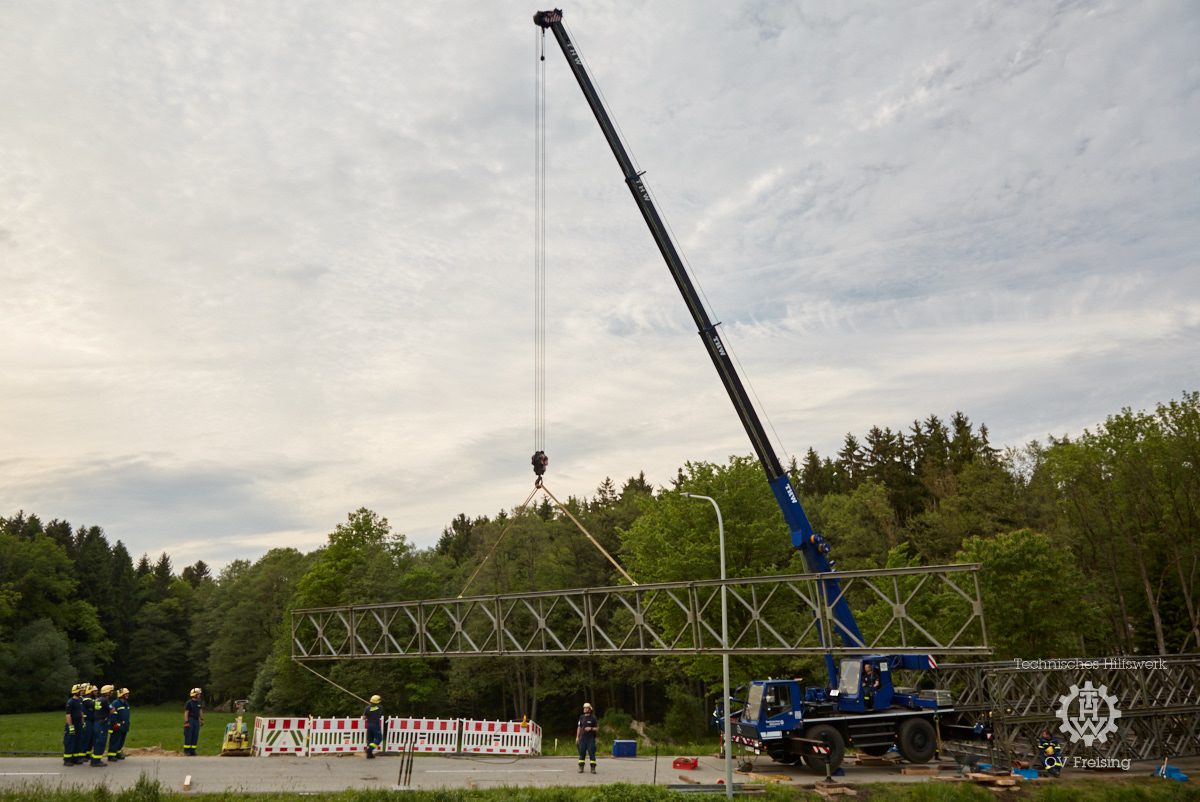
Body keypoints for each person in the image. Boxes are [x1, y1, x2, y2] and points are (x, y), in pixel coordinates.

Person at [88, 685, 113, 767]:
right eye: (110, 691)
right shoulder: (105, 700)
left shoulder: (98, 699)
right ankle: (96, 761)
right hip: (102, 723)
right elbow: (112, 710)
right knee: (100, 742)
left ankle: (94, 759)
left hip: (97, 723)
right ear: (107, 692)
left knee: (97, 741)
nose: (112, 692)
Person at [108, 688, 131, 761]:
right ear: (121, 695)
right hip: (117, 725)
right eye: (126, 694)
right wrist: (114, 724)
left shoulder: (126, 703)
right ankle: (111, 755)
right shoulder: (116, 703)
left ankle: (117, 753)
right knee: (115, 740)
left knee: (121, 741)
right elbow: (112, 714)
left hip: (124, 726)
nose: (127, 695)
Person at [576, 702, 598, 774]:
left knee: (592, 753)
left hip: (591, 738)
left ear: (589, 709)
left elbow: (597, 728)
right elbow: (579, 727)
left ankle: (593, 768)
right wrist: (577, 737)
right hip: (582, 738)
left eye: (586, 708)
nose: (585, 709)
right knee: (582, 753)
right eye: (584, 708)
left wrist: (591, 728)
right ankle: (581, 767)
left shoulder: (593, 718)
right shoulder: (581, 717)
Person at [63, 684, 84, 766]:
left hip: (79, 724)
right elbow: (68, 715)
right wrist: (71, 726)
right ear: (76, 691)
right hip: (72, 724)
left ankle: (76, 758)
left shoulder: (79, 701)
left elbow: (81, 712)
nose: (82, 692)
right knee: (70, 742)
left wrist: (83, 722)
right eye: (80, 690)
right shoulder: (70, 702)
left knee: (78, 741)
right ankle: (67, 759)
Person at [183, 688, 204, 756]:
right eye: (198, 694)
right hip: (190, 720)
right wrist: (186, 722)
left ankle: (192, 751)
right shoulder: (189, 703)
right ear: (195, 694)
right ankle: (187, 751)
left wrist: (201, 719)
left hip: (196, 720)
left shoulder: (199, 702)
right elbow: (186, 712)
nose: (199, 695)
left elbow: (200, 711)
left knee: (195, 735)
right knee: (188, 735)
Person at [363, 694, 383, 759]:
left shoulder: (367, 708)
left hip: (369, 725)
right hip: (375, 725)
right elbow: (378, 710)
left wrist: (369, 707)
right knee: (378, 739)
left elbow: (364, 717)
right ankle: (369, 749)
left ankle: (369, 755)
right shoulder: (380, 707)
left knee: (370, 740)